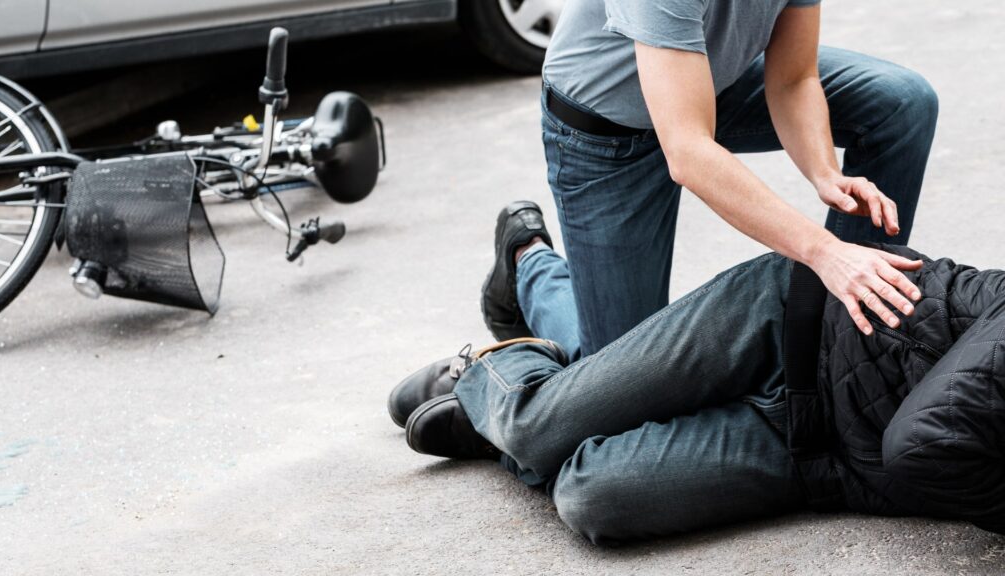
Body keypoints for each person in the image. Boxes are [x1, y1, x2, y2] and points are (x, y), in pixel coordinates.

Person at [389, 241, 1005, 545]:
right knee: (534, 429)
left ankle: (526, 400)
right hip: (790, 321)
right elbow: (923, 444)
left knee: (590, 498)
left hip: (821, 458)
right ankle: (499, 359)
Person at [481, 0, 940, 362]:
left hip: (708, 84)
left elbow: (794, 79)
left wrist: (825, 173)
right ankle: (528, 264)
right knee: (618, 379)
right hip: (605, 136)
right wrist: (825, 252)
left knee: (901, 101)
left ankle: (837, 339)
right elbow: (689, 152)